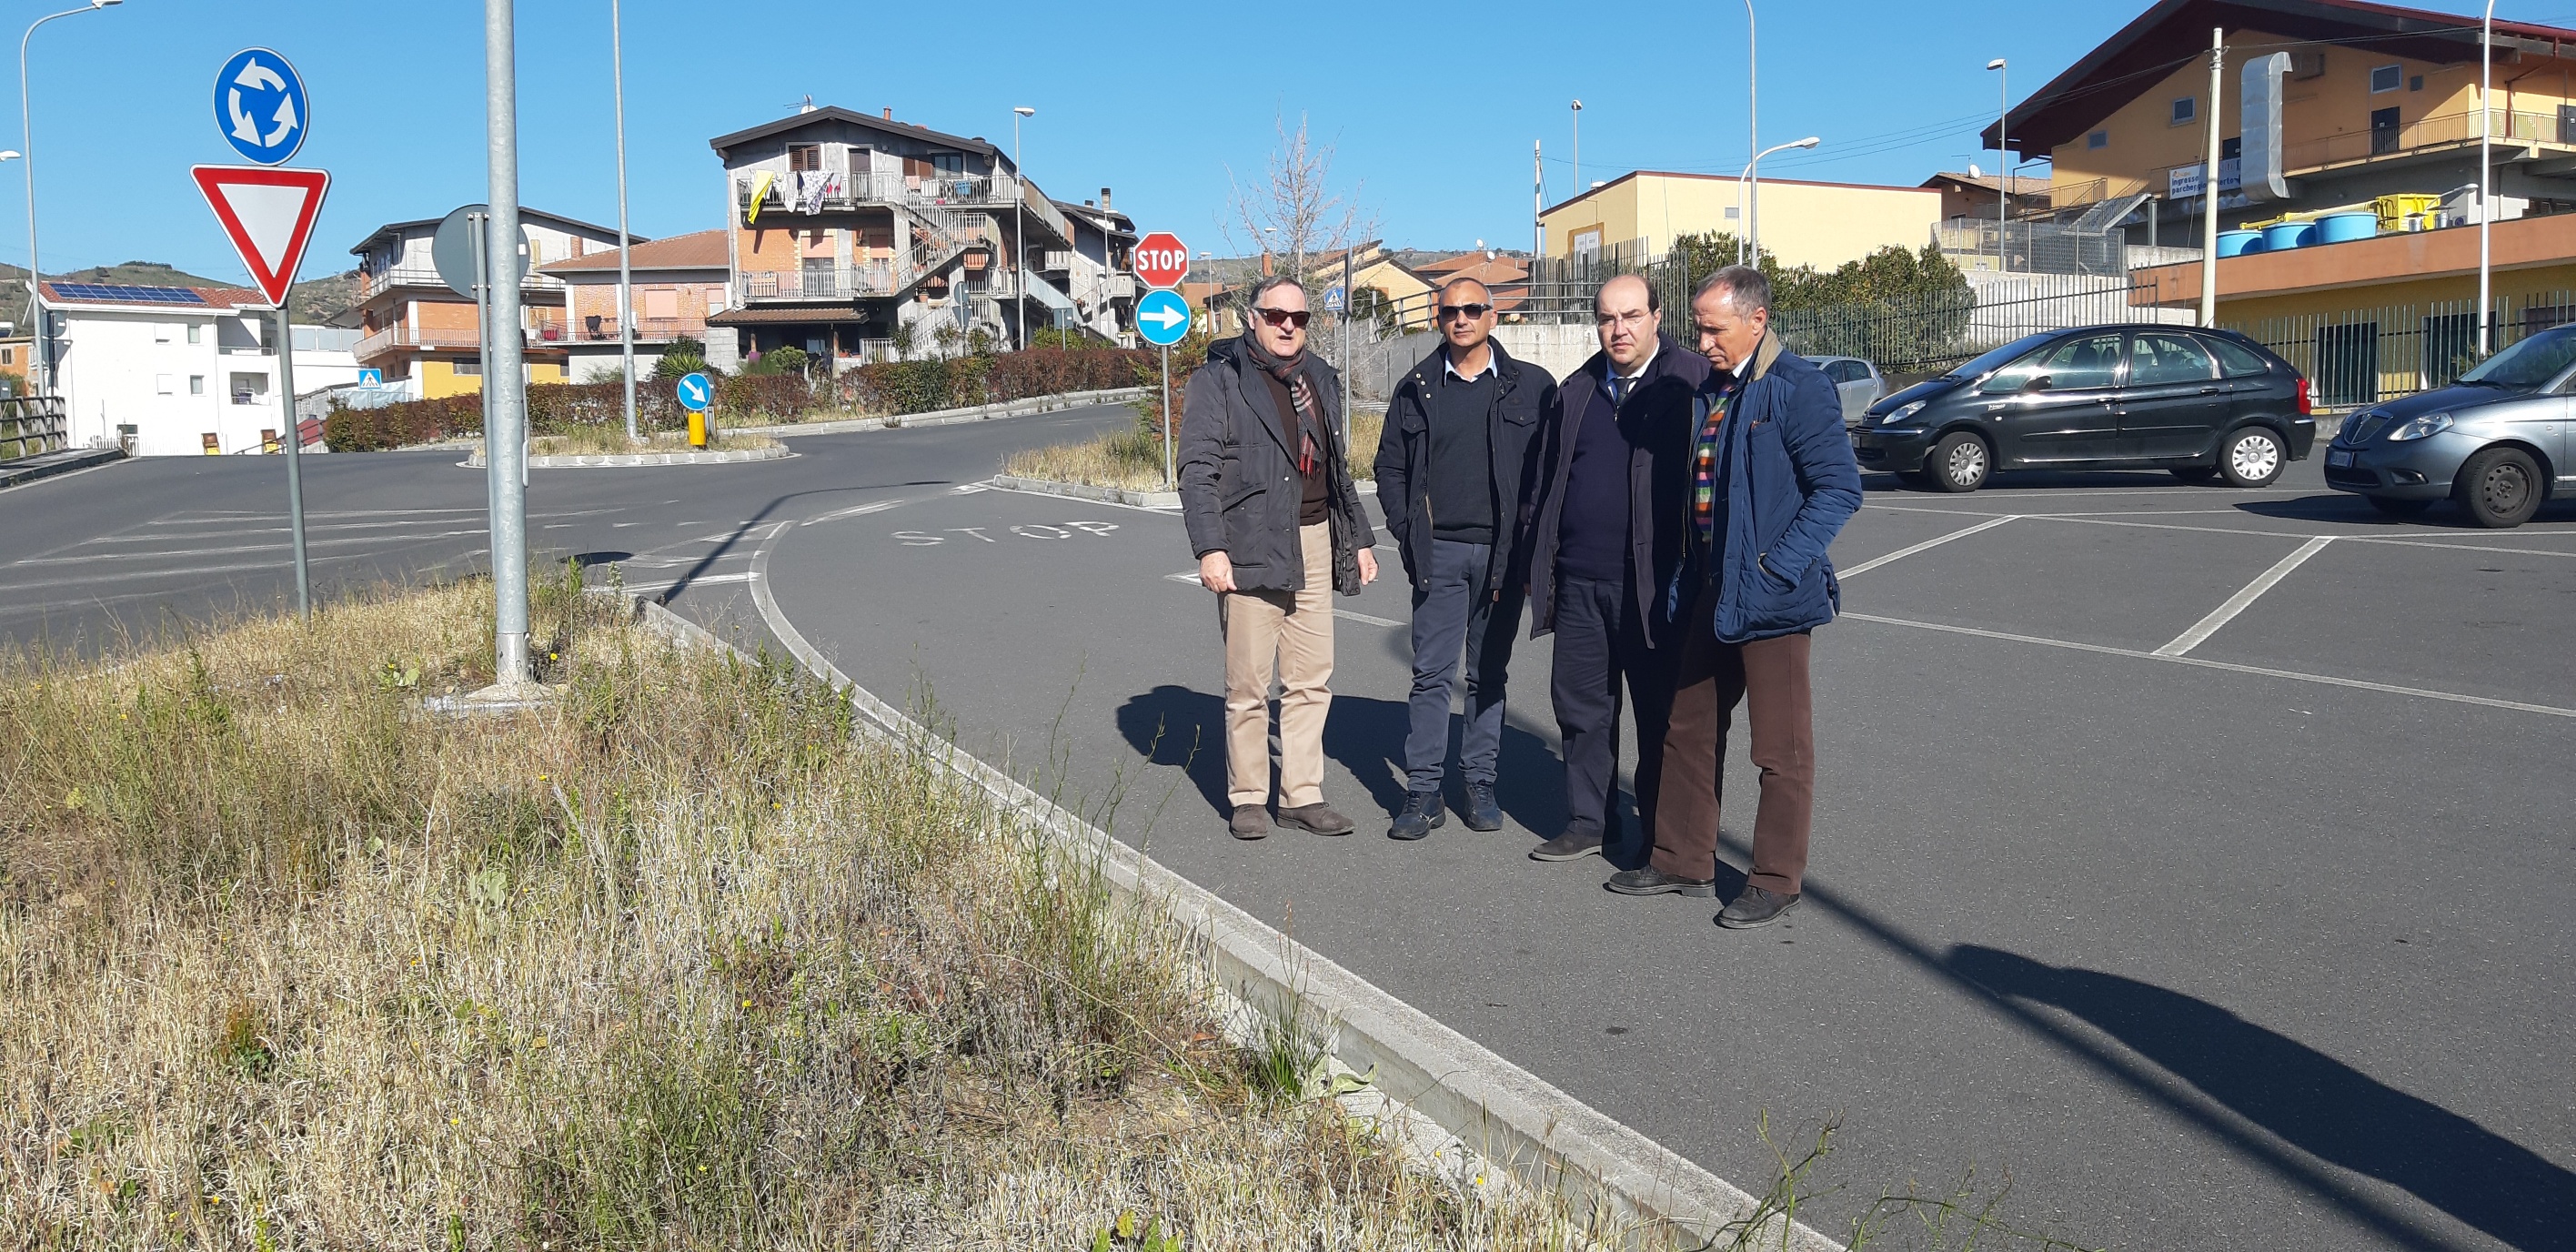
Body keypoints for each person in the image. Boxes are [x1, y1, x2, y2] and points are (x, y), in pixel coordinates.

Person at [1606, 266, 1860, 928]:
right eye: (1698, 326)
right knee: (1687, 728)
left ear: (1757, 320)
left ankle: (1776, 878)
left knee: (1779, 750)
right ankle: (1680, 859)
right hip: (1710, 591)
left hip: (1774, 599)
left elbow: (1839, 489)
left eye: (1713, 328)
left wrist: (1778, 566)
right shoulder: (1710, 391)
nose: (1703, 339)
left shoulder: (1798, 389)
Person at [1179, 275, 1380, 841]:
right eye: (1275, 315)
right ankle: (1247, 797)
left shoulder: (1320, 378)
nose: (1288, 325)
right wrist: (1210, 548)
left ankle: (1302, 795)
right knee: (1247, 684)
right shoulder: (1218, 381)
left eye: (1299, 317)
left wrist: (1359, 538)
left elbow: (1339, 469)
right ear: (1252, 318)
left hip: (1315, 537)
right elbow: (1197, 471)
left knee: (1311, 678)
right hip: (1248, 543)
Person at [1520, 274, 1710, 865]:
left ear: (1657, 316)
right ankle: (1588, 819)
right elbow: (1543, 484)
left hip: (1655, 586)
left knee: (1661, 715)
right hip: (1580, 581)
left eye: (1631, 315)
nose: (1618, 329)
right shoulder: (1575, 390)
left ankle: (1661, 834)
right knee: (1581, 709)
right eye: (1607, 318)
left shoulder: (1693, 383)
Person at [1374, 277, 1554, 840]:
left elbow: (1550, 474)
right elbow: (1390, 468)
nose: (1461, 319)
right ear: (1438, 317)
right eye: (1450, 310)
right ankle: (1423, 791)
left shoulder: (1533, 387)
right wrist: (1407, 532)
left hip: (1504, 555)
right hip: (1441, 553)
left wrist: (1533, 550)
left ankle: (1479, 784)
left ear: (1492, 316)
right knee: (1430, 676)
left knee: (1488, 675)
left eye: (1472, 309)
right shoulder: (1417, 386)